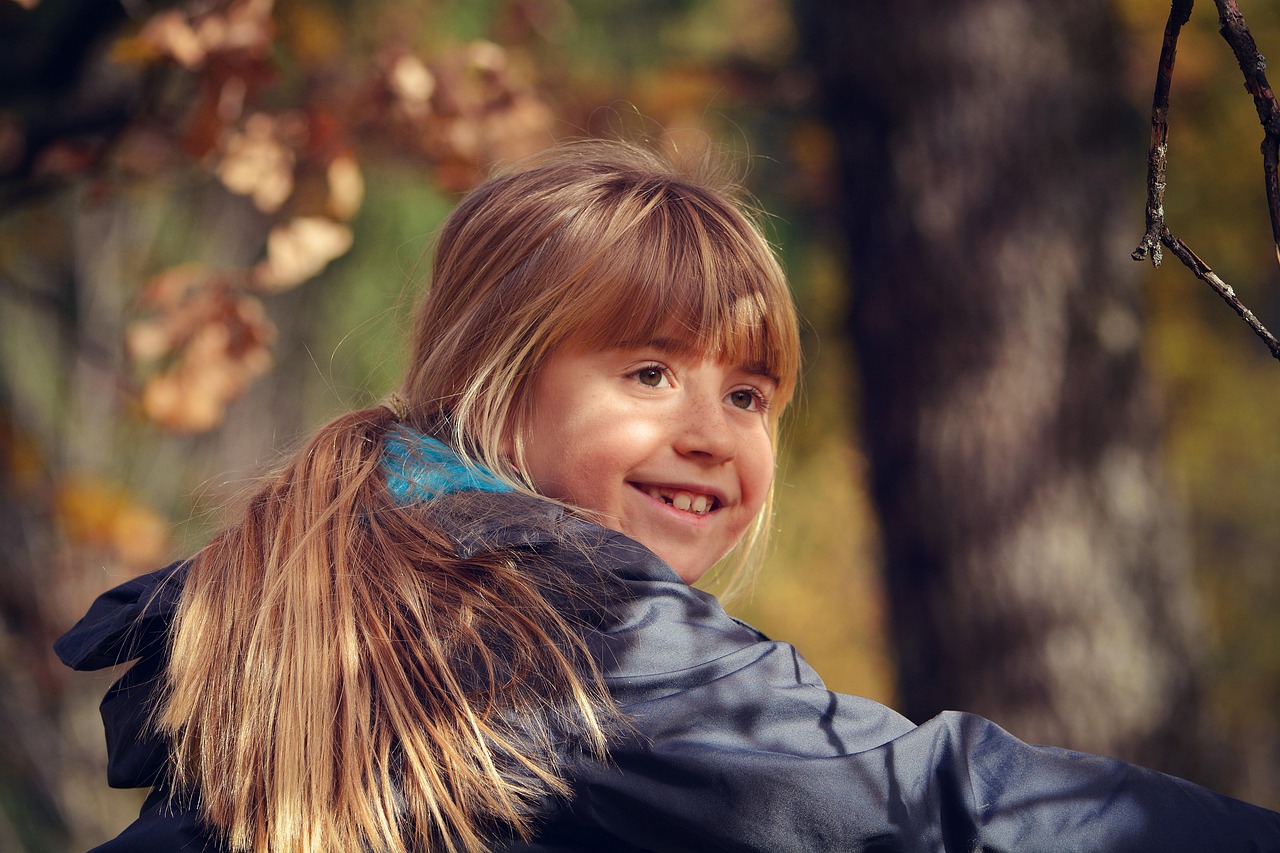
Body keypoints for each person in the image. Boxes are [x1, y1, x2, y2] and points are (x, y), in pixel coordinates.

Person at [57, 139, 1280, 852]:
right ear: (497, 378)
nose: (710, 434)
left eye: (749, 397)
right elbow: (916, 811)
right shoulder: (546, 615)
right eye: (647, 372)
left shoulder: (357, 592)